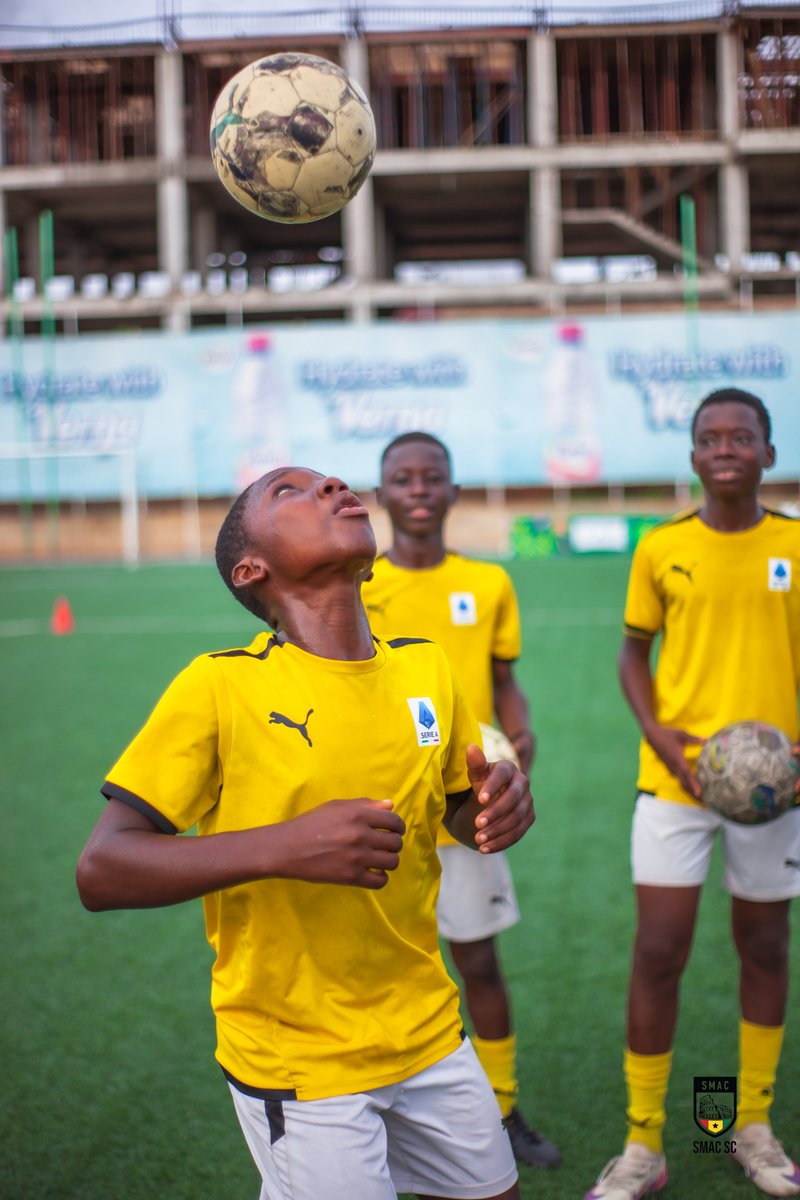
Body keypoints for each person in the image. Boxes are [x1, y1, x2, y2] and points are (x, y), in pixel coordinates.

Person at [76, 466, 536, 1200]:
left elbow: (454, 810)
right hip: (299, 1059)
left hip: (428, 1029)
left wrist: (494, 811)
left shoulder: (425, 668)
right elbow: (101, 870)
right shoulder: (220, 687)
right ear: (249, 568)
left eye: (330, 482)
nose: (331, 486)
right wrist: (284, 846)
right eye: (289, 491)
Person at [584, 388, 800, 1200]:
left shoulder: (795, 543)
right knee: (659, 951)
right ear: (692, 456)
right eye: (708, 437)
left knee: (767, 947)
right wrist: (660, 737)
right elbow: (631, 653)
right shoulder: (661, 548)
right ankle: (644, 1145)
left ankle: (751, 1125)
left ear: (768, 454)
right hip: (674, 783)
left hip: (775, 791)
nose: (724, 448)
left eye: (741, 436)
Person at [362, 431, 560, 1170]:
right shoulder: (361, 586)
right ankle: (373, 1113)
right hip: (384, 808)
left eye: (432, 476)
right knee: (379, 966)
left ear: (453, 490)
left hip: (468, 803)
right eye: (402, 478)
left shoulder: (489, 582)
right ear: (382, 494)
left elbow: (504, 677)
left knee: (477, 961)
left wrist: (520, 726)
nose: (418, 488)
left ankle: (504, 1109)